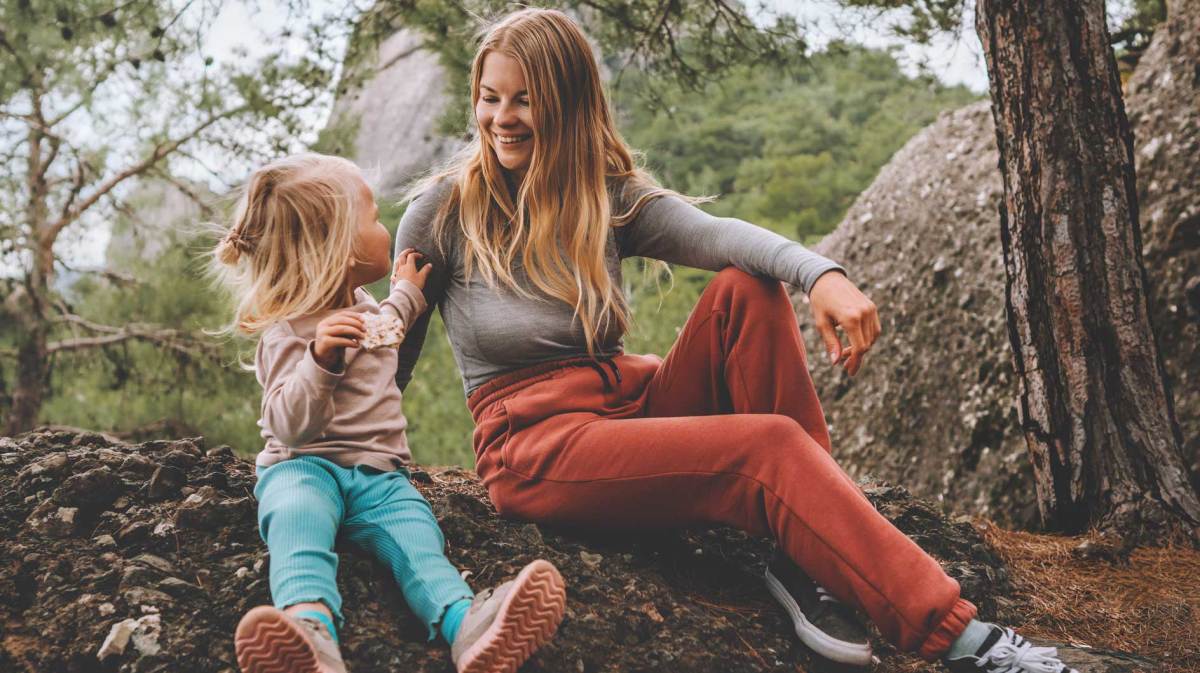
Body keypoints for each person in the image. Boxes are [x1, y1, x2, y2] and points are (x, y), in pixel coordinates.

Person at [392, 8, 1084, 673]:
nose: (501, 118)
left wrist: (823, 276)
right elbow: (391, 356)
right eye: (490, 98)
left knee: (749, 286)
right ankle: (963, 637)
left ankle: (798, 554)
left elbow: (724, 236)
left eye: (524, 100)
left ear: (568, 104)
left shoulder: (601, 194)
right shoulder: (443, 214)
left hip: (628, 407)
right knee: (766, 446)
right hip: (534, 446)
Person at [211, 153, 567, 673]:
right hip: (303, 465)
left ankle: (466, 625)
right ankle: (309, 632)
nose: (387, 229)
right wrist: (320, 360)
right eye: (374, 218)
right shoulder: (288, 332)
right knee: (296, 521)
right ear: (336, 244)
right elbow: (289, 424)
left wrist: (406, 292)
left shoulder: (365, 309)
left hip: (380, 475)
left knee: (418, 541)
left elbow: (391, 327)